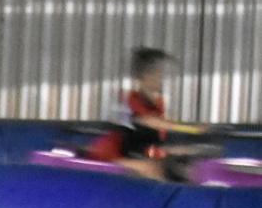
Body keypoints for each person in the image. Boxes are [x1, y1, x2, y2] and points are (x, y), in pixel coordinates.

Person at [84, 45, 206, 179]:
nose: (164, 79)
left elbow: (154, 142)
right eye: (160, 74)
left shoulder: (158, 104)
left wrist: (185, 150)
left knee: (184, 169)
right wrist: (191, 129)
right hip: (112, 154)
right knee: (152, 169)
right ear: (146, 76)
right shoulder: (131, 99)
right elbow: (151, 122)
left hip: (135, 153)